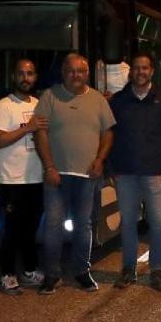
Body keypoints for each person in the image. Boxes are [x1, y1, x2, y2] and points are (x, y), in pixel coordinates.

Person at [33, 53, 116, 295]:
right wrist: (49, 167)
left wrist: (100, 160)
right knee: (53, 226)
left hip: (87, 176)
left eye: (80, 71)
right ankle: (52, 275)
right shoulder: (49, 96)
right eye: (70, 71)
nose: (75, 75)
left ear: (87, 73)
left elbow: (108, 133)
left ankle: (82, 271)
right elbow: (40, 134)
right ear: (63, 73)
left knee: (84, 226)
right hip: (56, 176)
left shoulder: (98, 100)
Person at [108, 53, 161, 291]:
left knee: (158, 223)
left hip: (154, 173)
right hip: (126, 173)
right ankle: (128, 270)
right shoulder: (118, 101)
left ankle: (157, 271)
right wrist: (111, 167)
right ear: (131, 72)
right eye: (137, 68)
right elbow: (110, 136)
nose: (140, 72)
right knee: (128, 223)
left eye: (145, 68)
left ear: (152, 71)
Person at [0, 59, 48, 294]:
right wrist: (27, 128)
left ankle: (30, 270)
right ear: (14, 77)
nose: (26, 78)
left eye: (30, 73)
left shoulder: (39, 104)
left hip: (36, 179)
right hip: (12, 181)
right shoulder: (4, 106)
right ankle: (7, 274)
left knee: (30, 230)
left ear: (36, 77)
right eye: (21, 74)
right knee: (10, 231)